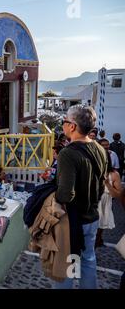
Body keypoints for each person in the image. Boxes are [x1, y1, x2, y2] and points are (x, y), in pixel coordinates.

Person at [55, 105, 107, 289]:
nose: (63, 125)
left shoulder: (67, 154)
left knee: (66, 264)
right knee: (88, 260)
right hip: (92, 217)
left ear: (73, 126)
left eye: (65, 121)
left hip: (72, 222)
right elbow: (101, 185)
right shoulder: (100, 149)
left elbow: (65, 195)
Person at [95, 153, 122, 247]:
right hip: (91, 204)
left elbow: (118, 195)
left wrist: (107, 184)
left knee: (97, 232)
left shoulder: (114, 174)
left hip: (104, 204)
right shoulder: (91, 170)